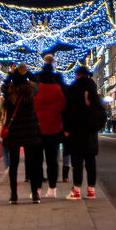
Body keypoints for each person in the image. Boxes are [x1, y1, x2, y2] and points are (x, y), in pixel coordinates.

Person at [2, 64, 43, 204]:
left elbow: (4, 86)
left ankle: (13, 196)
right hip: (29, 130)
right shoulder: (30, 90)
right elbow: (37, 82)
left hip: (13, 131)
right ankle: (34, 194)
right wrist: (27, 72)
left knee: (13, 164)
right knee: (32, 163)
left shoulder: (9, 90)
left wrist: (11, 73)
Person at [63, 64, 105, 201]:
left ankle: (76, 190)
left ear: (77, 75)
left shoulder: (74, 89)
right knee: (90, 161)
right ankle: (91, 190)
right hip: (91, 131)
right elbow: (100, 111)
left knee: (77, 162)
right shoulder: (93, 90)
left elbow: (69, 112)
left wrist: (67, 129)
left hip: (76, 130)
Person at [33, 57, 66, 198]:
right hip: (54, 129)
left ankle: (37, 190)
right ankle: (52, 189)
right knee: (53, 160)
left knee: (37, 161)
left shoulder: (36, 91)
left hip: (37, 130)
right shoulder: (58, 89)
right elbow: (63, 107)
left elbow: (31, 109)